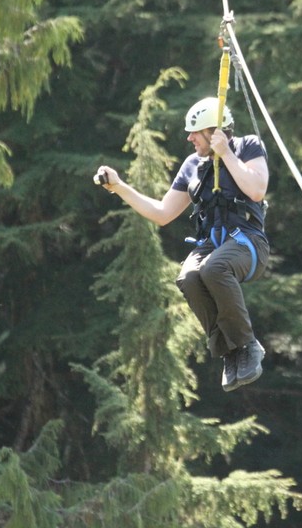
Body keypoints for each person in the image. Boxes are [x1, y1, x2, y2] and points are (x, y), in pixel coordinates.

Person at [95, 96, 270, 392]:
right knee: (188, 277)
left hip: (248, 244)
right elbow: (163, 214)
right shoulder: (193, 165)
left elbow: (256, 190)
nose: (189, 138)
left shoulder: (247, 146)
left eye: (195, 132)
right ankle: (229, 351)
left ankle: (248, 345)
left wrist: (225, 154)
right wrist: (119, 187)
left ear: (214, 131)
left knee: (214, 268)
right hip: (212, 245)